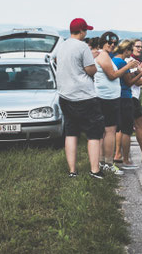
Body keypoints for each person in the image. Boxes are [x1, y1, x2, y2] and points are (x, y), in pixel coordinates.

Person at [54, 18, 105, 179]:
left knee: (71, 133)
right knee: (94, 134)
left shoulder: (61, 46)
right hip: (84, 96)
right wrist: (93, 57)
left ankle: (72, 171)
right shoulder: (82, 46)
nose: (86, 33)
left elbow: (57, 62)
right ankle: (95, 170)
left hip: (65, 95)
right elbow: (91, 70)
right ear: (81, 31)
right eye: (86, 30)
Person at [94, 31, 138, 176]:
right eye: (109, 43)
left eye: (114, 43)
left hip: (107, 97)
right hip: (106, 99)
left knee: (105, 132)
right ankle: (107, 163)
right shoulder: (103, 56)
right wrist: (127, 66)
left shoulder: (104, 55)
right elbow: (112, 75)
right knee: (110, 131)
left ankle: (103, 162)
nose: (112, 45)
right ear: (102, 43)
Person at [112, 40, 142, 169]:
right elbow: (134, 82)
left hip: (122, 97)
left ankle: (118, 156)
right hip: (129, 97)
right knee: (130, 129)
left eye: (141, 47)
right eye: (137, 47)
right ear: (128, 49)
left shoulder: (118, 61)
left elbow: (129, 77)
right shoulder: (126, 62)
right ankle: (129, 159)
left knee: (120, 128)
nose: (140, 49)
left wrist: (140, 70)